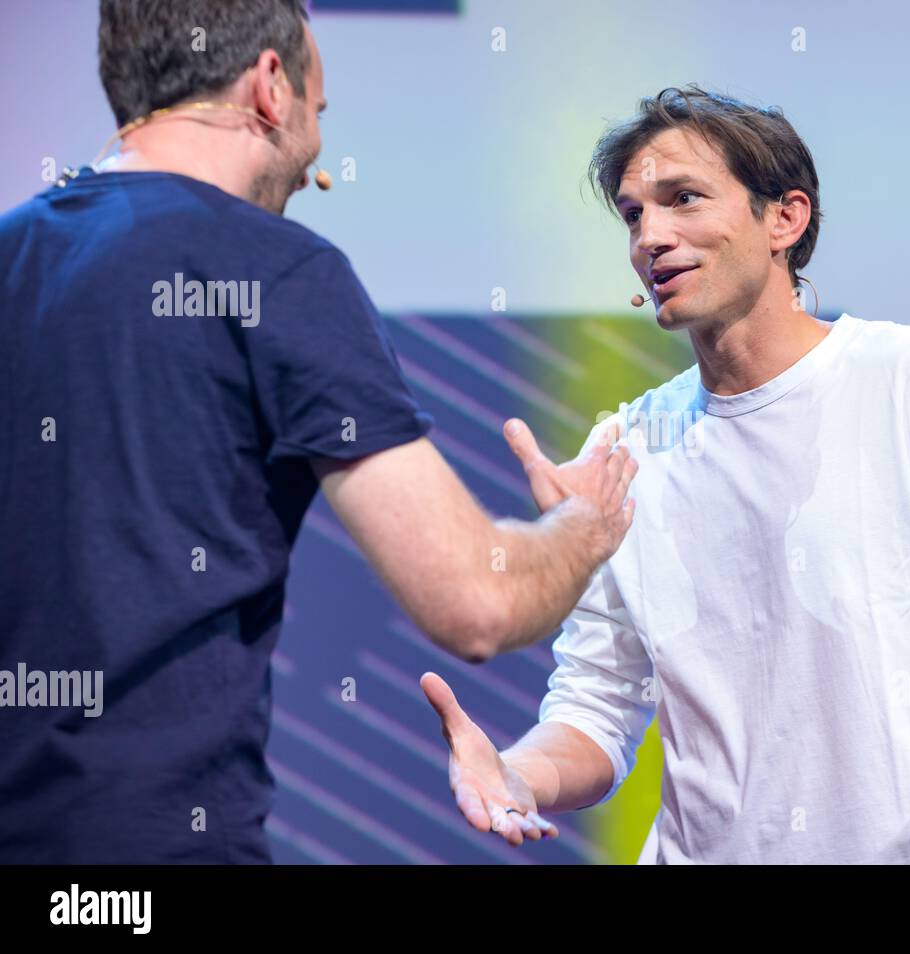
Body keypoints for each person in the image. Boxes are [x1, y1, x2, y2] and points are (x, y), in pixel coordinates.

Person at [422, 86, 910, 863]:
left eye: (682, 199)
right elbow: (598, 705)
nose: (650, 237)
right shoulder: (629, 445)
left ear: (784, 220)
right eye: (632, 215)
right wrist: (517, 776)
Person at [0, 0, 636, 863]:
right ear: (270, 86)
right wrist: (586, 524)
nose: (312, 167)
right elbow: (477, 603)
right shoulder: (280, 272)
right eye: (317, 118)